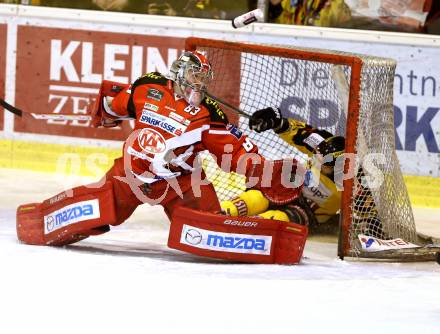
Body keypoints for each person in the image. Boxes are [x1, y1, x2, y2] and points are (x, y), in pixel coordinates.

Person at [16, 51, 264, 246]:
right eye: (194, 76)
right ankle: (38, 218)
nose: (199, 83)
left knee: (211, 231)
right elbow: (119, 104)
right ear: (179, 72)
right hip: (130, 175)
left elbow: (237, 151)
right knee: (91, 214)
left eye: (203, 78)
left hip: (181, 183)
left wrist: (259, 167)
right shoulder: (147, 86)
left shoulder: (210, 113)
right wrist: (106, 110)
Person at [221, 106, 385, 238]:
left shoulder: (353, 184)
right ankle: (220, 213)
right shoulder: (322, 145)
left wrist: (373, 224)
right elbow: (295, 131)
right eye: (317, 158)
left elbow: (368, 211)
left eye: (324, 165)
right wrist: (274, 120)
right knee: (256, 197)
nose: (318, 163)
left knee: (280, 218)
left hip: (308, 213)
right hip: (287, 190)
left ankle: (249, 232)